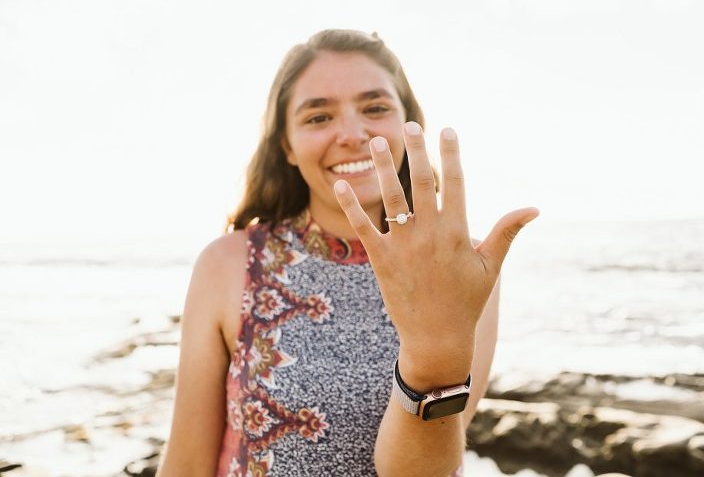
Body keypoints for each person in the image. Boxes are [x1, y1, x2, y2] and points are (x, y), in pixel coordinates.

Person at [156, 29, 538, 477]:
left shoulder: (461, 267)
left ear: (407, 124)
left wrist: (432, 352)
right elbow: (185, 464)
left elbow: (415, 472)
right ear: (287, 146)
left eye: (376, 108)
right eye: (318, 118)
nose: (355, 135)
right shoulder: (227, 266)